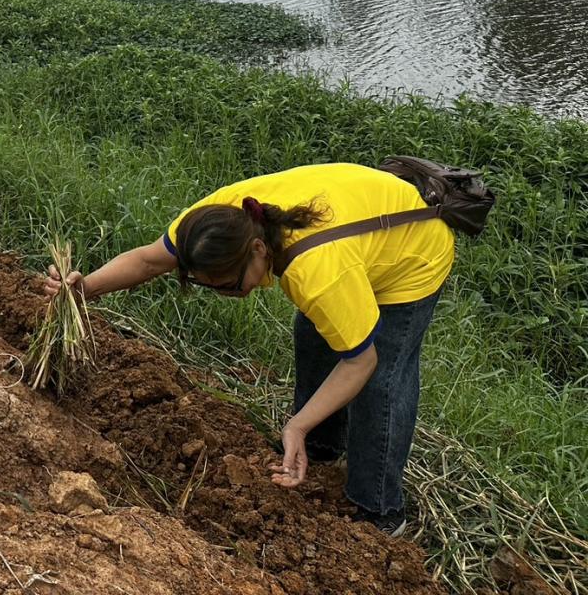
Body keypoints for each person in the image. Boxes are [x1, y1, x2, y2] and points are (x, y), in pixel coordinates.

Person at [42, 162, 454, 537]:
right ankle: (324, 448)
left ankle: (380, 509)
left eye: (228, 284)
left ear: (259, 250)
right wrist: (85, 290)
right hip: (361, 224)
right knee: (315, 331)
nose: (225, 294)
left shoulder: (317, 272)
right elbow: (150, 261)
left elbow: (360, 362)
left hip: (413, 249)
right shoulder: (208, 227)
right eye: (209, 286)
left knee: (381, 376)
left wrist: (296, 424)